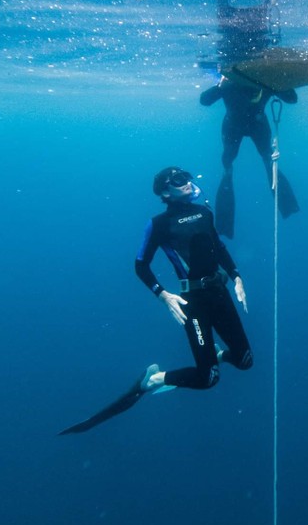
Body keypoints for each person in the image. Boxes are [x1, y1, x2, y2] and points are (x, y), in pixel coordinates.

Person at [60, 166, 252, 434]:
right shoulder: (159, 224)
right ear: (164, 190)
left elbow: (218, 247)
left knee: (245, 360)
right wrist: (162, 295)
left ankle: (215, 355)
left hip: (219, 294)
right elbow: (140, 266)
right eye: (176, 180)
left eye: (186, 177)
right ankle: (154, 379)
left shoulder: (205, 213)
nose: (185, 182)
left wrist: (236, 276)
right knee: (208, 378)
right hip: (191, 304)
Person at [200, 75, 300, 238]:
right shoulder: (233, 81)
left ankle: (287, 205)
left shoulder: (263, 79)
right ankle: (225, 220)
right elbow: (204, 100)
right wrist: (220, 86)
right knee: (230, 164)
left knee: (266, 160)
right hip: (237, 125)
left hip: (251, 124)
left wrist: (279, 82)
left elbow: (292, 98)